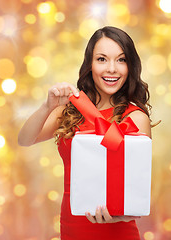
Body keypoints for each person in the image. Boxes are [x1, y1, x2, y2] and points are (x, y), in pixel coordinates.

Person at [18, 26, 154, 240]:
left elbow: (138, 188)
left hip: (117, 232)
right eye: (102, 59)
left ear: (130, 66)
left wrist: (121, 216)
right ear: (90, 65)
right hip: (72, 228)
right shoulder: (71, 109)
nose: (112, 69)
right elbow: (25, 139)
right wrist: (47, 106)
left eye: (121, 60)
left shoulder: (135, 118)